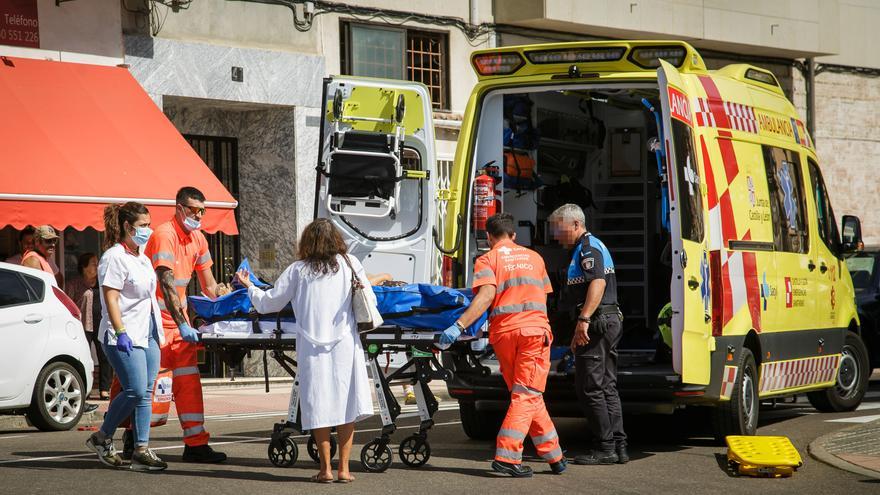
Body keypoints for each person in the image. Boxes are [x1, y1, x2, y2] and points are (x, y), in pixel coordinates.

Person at [236, 218, 373, 483]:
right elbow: (370, 299)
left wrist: (249, 286)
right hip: (345, 345)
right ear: (337, 240)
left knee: (317, 403)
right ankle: (344, 468)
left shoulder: (298, 270)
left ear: (307, 241)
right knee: (346, 403)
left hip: (311, 347)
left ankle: (325, 469)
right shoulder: (350, 264)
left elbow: (269, 303)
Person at [438, 213, 566, 478]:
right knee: (527, 394)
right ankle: (507, 458)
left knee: (527, 395)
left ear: (489, 237)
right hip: (533, 333)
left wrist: (458, 326)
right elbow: (544, 296)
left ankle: (554, 455)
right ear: (514, 235)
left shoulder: (487, 259)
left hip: (504, 335)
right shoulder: (535, 258)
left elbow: (486, 297)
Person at [139, 186, 226, 463]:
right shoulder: (165, 235)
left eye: (202, 210)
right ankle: (134, 440)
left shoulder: (198, 238)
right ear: (179, 208)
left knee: (188, 382)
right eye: (193, 210)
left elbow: (209, 284)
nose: (198, 215)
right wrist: (182, 323)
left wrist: (230, 295)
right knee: (149, 385)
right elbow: (165, 282)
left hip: (179, 325)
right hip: (155, 323)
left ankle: (196, 444)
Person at [85, 202, 166, 471]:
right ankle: (102, 436)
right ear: (128, 227)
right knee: (133, 388)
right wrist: (120, 332)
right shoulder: (113, 257)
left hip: (148, 332)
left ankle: (141, 449)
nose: (148, 230)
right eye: (143, 226)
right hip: (123, 334)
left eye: (148, 224)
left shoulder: (142, 258)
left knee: (145, 392)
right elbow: (110, 297)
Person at [549, 204, 628, 465]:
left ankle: (605, 448)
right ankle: (618, 446)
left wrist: (583, 319)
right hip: (604, 321)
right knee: (606, 386)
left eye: (558, 228)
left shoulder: (588, 248)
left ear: (575, 224)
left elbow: (598, 282)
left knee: (590, 388)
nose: (555, 235)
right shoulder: (587, 247)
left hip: (597, 323)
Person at [67, 253, 113, 399]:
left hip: (101, 324)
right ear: (84, 267)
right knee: (83, 357)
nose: (97, 266)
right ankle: (83, 388)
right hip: (82, 326)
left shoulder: (103, 283)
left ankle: (104, 389)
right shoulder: (74, 284)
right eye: (93, 264)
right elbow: (68, 305)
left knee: (105, 356)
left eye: (98, 263)